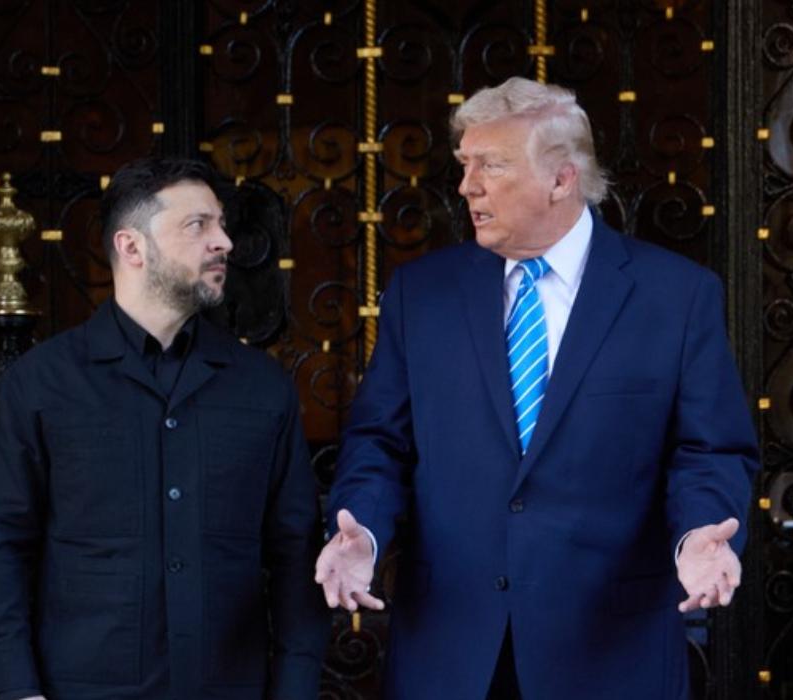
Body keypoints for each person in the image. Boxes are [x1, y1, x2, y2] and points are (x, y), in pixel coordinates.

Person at [314, 77, 760, 699]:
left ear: (561, 179)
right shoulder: (421, 295)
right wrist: (362, 530)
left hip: (611, 650)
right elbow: (378, 442)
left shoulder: (677, 296)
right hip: (451, 651)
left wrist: (699, 534)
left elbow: (708, 450)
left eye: (491, 165)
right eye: (466, 164)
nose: (468, 185)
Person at [0, 157, 331, 700]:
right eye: (198, 225)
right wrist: (17, 690)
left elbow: (296, 556)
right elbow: (0, 550)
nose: (224, 242)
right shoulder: (41, 385)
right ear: (132, 247)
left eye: (221, 223)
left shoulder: (262, 388)